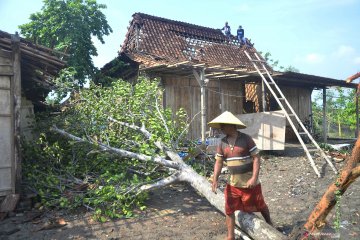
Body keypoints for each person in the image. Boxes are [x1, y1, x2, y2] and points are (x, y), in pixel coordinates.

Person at [209, 111, 272, 240]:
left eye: (223, 125)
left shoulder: (246, 139)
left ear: (232, 125)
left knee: (260, 205)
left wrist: (254, 178)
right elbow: (219, 162)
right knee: (229, 209)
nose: (221, 128)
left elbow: (256, 158)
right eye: (221, 126)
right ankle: (230, 236)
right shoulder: (222, 143)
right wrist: (215, 179)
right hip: (233, 184)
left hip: (250, 183)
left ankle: (270, 223)